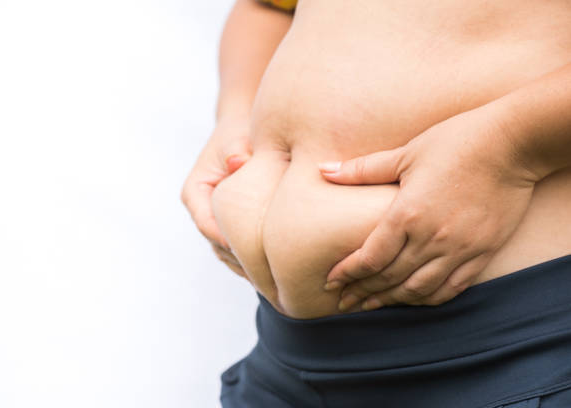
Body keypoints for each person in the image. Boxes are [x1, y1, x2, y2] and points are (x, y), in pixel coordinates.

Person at [181, 0, 571, 406]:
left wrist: (510, 147)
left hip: (507, 355)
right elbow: (267, 10)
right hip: (281, 365)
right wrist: (236, 114)